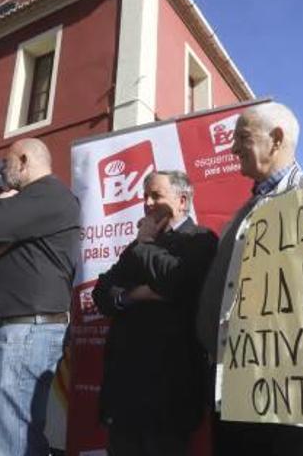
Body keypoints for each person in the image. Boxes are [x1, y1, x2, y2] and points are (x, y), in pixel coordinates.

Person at [195, 102, 303, 455]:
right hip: (236, 393)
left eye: (242, 138)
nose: (232, 149)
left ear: (276, 139)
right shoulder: (240, 216)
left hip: (298, 403)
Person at [93, 170, 218, 455]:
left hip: (169, 393)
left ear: (182, 200)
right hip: (126, 391)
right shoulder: (140, 244)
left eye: (156, 195)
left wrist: (145, 246)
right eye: (145, 196)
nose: (147, 203)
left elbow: (176, 282)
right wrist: (134, 294)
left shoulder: (201, 240)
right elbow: (102, 292)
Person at [0, 138, 80, 456]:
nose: (3, 172)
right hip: (14, 329)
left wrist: (2, 201)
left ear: (23, 159)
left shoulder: (47, 195)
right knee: (4, 435)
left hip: (23, 330)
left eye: (5, 164)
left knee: (10, 440)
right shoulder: (33, 203)